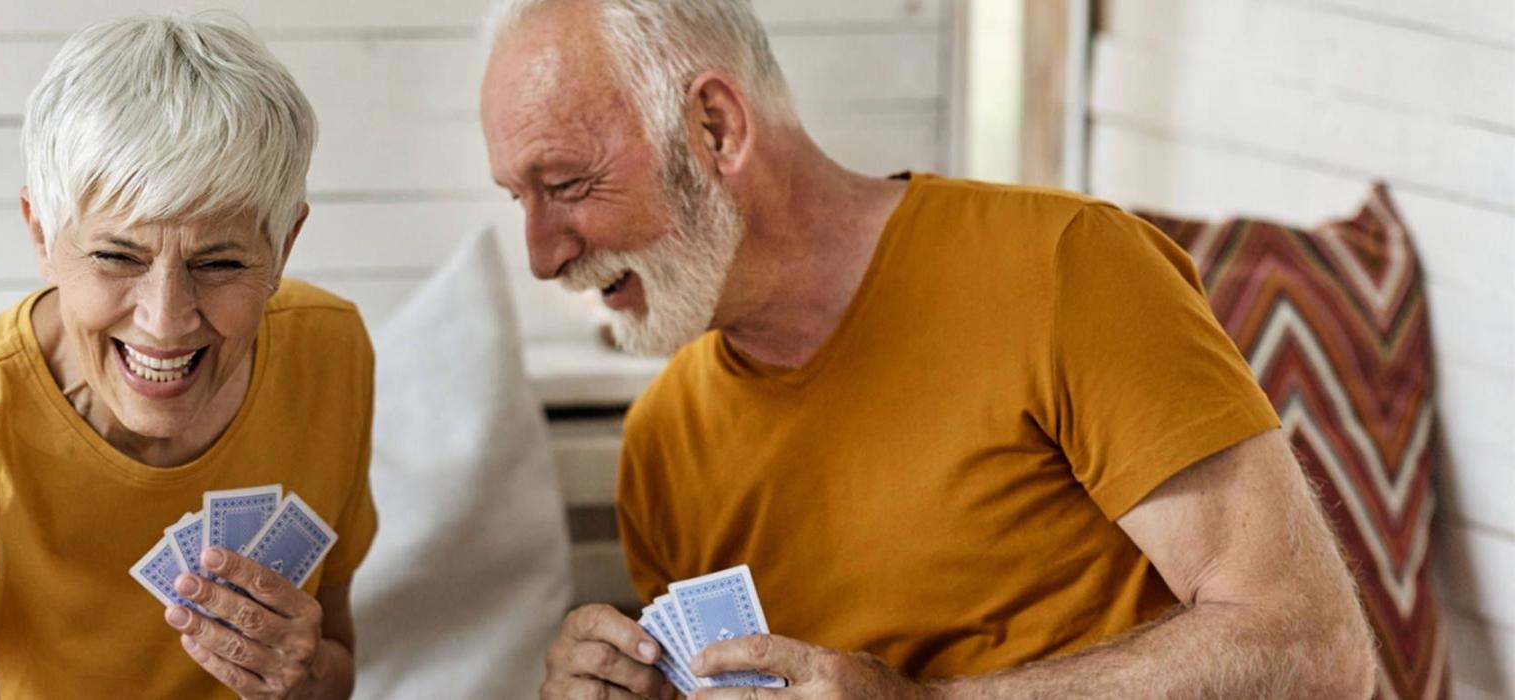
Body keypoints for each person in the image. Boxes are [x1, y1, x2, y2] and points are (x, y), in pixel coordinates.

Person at [479, 0, 1376, 697]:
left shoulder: (1067, 268)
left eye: (566, 184)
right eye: (520, 198)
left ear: (714, 127)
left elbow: (1311, 648)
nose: (543, 254)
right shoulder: (665, 442)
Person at [0, 13, 374, 698]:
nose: (165, 319)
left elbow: (334, 669)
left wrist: (301, 678)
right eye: (116, 256)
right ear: (42, 235)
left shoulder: (330, 353)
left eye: (218, 262)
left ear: (283, 247)